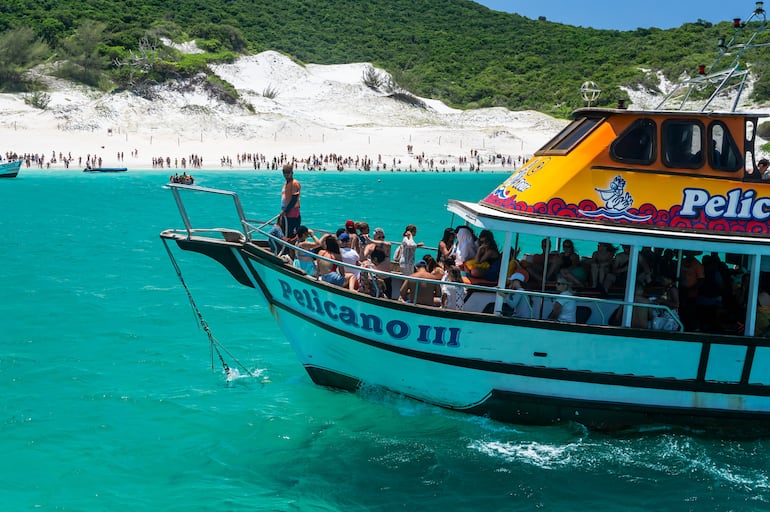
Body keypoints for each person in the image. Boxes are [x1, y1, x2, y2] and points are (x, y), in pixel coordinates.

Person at [279, 163, 301, 238]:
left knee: (291, 234)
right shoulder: (286, 184)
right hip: (286, 213)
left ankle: (290, 248)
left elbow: (294, 199)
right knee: (284, 231)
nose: (286, 174)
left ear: (292, 173)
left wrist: (286, 210)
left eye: (288, 172)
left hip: (292, 213)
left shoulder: (295, 183)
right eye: (284, 172)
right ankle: (285, 248)